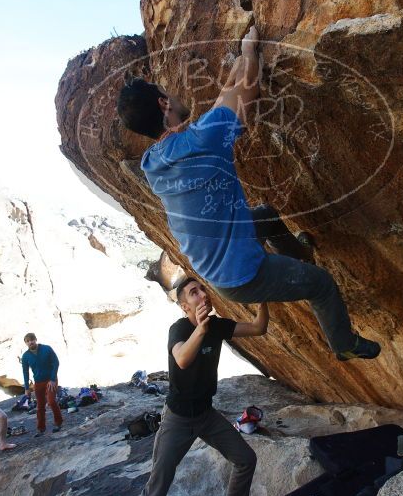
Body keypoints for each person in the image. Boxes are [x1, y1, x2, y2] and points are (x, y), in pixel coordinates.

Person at [117, 26, 380, 361]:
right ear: (163, 102)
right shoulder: (202, 140)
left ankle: (299, 253)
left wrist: (240, 61)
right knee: (321, 284)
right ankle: (344, 344)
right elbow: (247, 90)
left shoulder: (153, 161)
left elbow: (224, 101)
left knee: (266, 215)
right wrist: (250, 51)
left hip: (215, 259)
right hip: (242, 273)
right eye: (168, 92)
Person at [135, 277, 267, 496]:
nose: (203, 294)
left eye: (203, 289)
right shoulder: (179, 329)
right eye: (194, 292)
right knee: (156, 488)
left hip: (206, 415)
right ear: (184, 306)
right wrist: (201, 329)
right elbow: (182, 359)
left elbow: (258, 327)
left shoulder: (217, 326)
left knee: (246, 459)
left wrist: (263, 299)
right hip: (178, 418)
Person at [21, 333, 63, 436]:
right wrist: (27, 388)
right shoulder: (25, 356)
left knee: (52, 401)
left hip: (50, 380)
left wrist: (53, 379)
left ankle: (58, 422)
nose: (30, 342)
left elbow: (56, 363)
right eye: (28, 341)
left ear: (36, 339)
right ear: (26, 343)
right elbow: (25, 372)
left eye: (32, 340)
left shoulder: (46, 348)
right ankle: (41, 428)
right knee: (40, 406)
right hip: (38, 382)